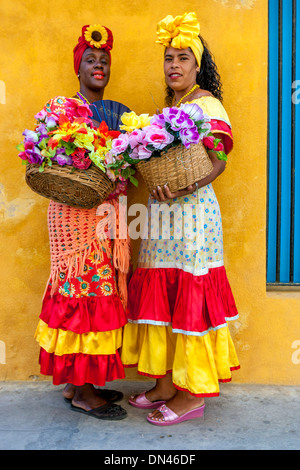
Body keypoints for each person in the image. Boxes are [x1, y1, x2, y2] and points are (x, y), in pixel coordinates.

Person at [121, 12, 240, 426]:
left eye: (183, 58)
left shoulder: (206, 104)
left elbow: (218, 161)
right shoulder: (172, 107)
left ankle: (193, 394)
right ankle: (169, 383)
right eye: (169, 58)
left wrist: (185, 188)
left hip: (192, 219)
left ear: (198, 65)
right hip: (162, 218)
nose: (174, 65)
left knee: (189, 298)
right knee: (165, 296)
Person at [34, 24, 131, 420]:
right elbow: (49, 158)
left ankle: (79, 382)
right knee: (84, 298)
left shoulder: (118, 116)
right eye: (91, 60)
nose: (98, 66)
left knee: (88, 297)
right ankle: (84, 393)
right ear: (78, 69)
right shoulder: (62, 110)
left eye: (104, 61)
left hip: (104, 218)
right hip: (75, 221)